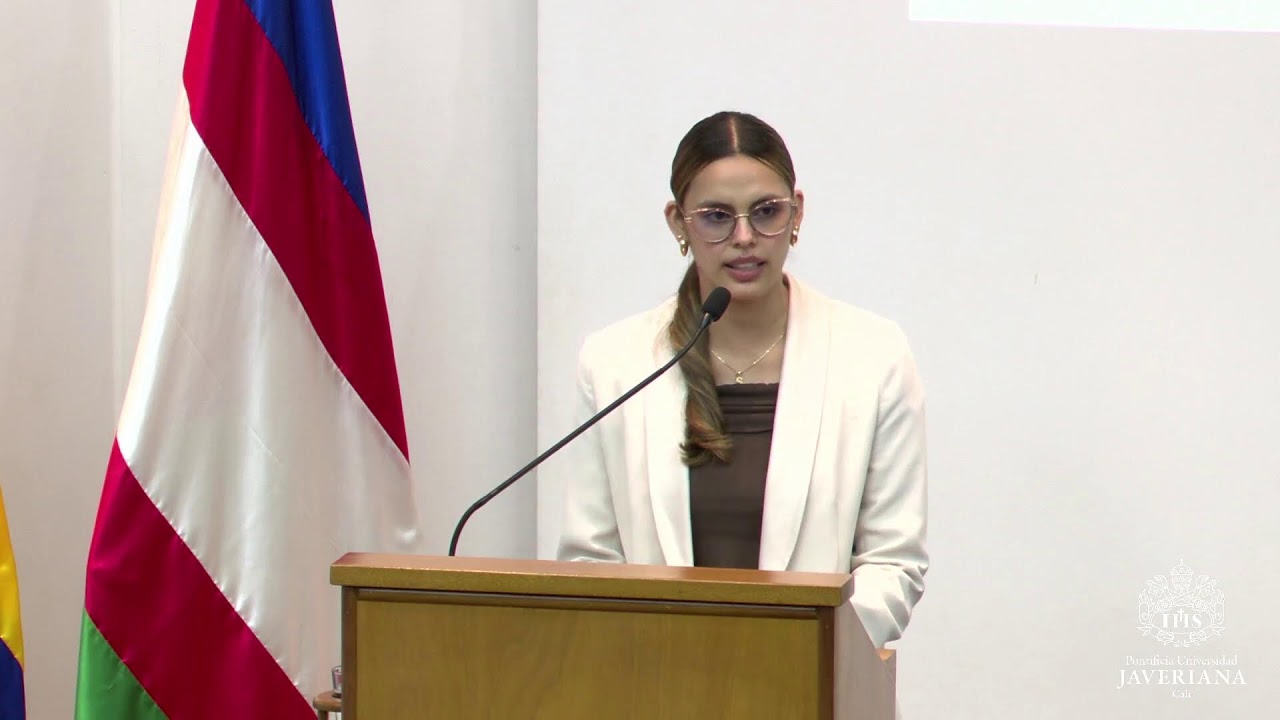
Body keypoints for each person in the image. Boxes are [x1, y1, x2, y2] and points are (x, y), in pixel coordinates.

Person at [556, 110, 928, 649]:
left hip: (809, 680)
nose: (746, 238)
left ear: (797, 212)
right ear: (677, 222)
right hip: (656, 682)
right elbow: (592, 560)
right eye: (716, 217)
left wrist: (799, 654)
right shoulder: (615, 362)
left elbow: (891, 562)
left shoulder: (872, 356)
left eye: (766, 212)